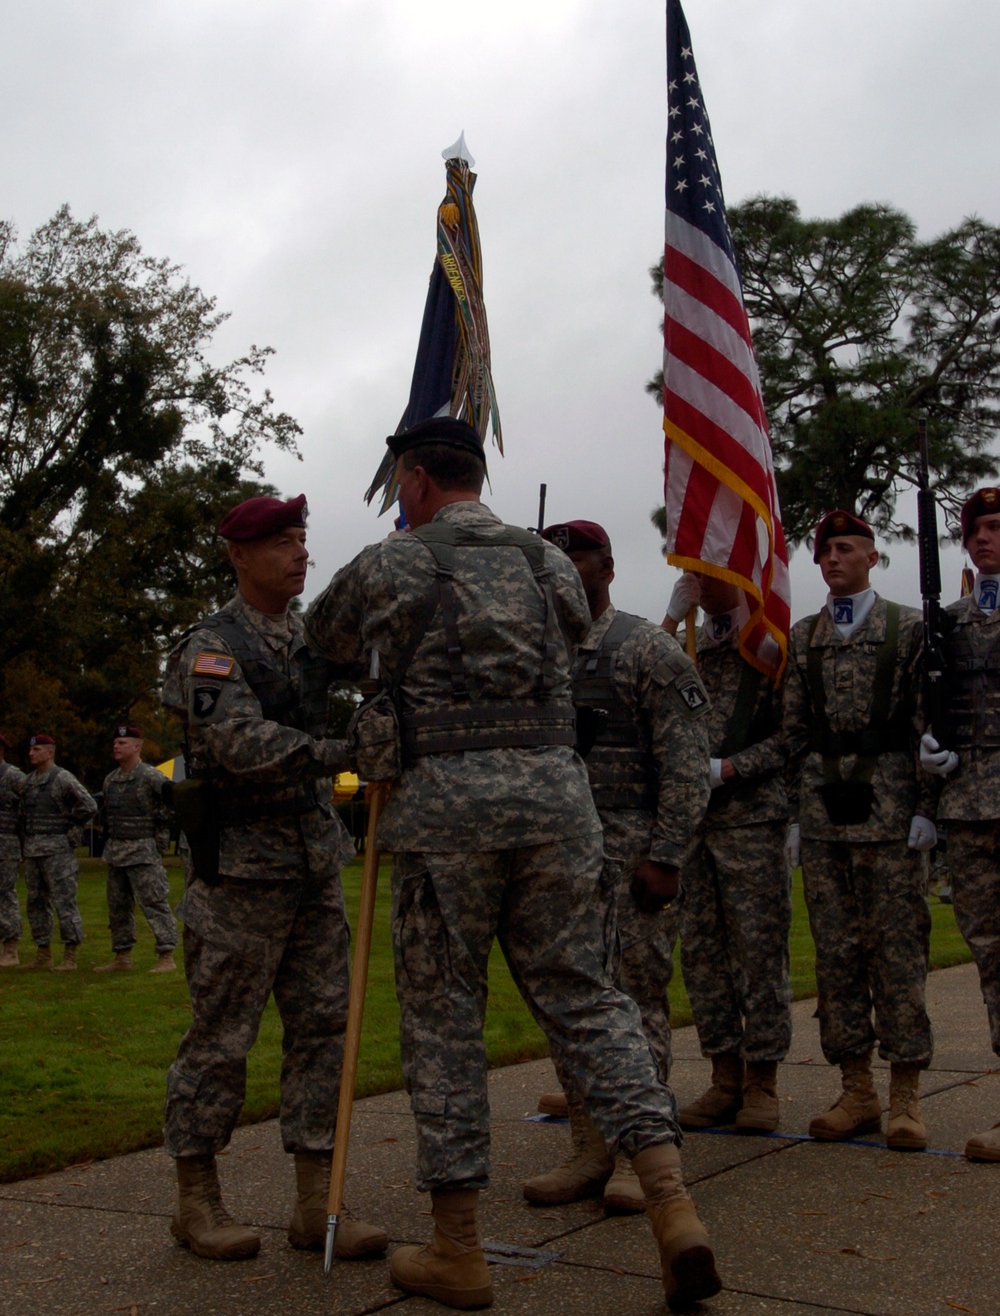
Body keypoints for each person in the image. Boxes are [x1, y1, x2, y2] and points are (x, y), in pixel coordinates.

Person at [305, 418, 722, 1313]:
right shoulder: (552, 565)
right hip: (559, 810)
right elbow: (571, 651)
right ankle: (672, 1203)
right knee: (588, 998)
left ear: (414, 479)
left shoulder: (396, 561)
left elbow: (325, 639)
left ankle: (458, 1247)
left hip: (446, 816)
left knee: (445, 1021)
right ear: (478, 473)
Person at [161, 493, 387, 1264]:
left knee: (325, 1029)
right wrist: (341, 752)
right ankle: (197, 1201)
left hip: (313, 867)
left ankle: (316, 1203)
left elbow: (375, 662)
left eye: (302, 539)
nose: (299, 553)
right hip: (240, 878)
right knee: (221, 1039)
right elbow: (238, 741)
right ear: (238, 555)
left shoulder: (312, 640)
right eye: (282, 542)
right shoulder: (210, 647)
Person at [522, 520, 710, 1213]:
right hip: (556, 865)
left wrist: (665, 857)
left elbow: (688, 767)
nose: (565, 570)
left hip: (630, 862)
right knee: (570, 1008)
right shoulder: (533, 655)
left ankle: (641, 1150)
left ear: (607, 566)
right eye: (552, 560)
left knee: (636, 1005)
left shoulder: (647, 650)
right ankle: (587, 1145)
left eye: (578, 557)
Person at [783, 510, 936, 1149]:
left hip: (891, 812)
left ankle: (905, 1094)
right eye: (824, 552)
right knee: (837, 957)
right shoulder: (802, 636)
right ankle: (856, 1089)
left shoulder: (907, 629)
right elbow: (794, 731)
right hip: (823, 818)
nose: (832, 560)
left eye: (845, 549)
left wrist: (928, 806)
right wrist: (794, 813)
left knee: (897, 956)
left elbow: (928, 725)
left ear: (873, 557)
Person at [663, 572, 792, 1134]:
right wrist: (670, 621)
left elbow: (794, 733)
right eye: (694, 569)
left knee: (758, 951)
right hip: (693, 822)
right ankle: (724, 1077)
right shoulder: (687, 644)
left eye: (715, 569)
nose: (702, 581)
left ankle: (762, 1081)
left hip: (750, 817)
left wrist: (735, 767)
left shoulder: (764, 645)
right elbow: (643, 685)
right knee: (703, 954)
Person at [919, 485, 1000, 1160]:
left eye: (997, 527)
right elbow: (931, 704)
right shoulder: (948, 623)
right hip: (970, 807)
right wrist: (929, 750)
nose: (984, 539)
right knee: (992, 956)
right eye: (976, 530)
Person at [93, 725, 178, 975]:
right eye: (115, 744)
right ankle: (122, 956)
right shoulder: (111, 779)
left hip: (143, 851)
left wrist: (160, 837)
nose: (116, 747)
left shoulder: (151, 776)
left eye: (123, 743)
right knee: (117, 906)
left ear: (137, 746)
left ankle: (166, 954)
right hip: (117, 852)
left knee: (154, 902)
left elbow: (171, 804)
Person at [20, 733, 96, 971]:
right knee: (35, 902)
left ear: (49, 752)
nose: (32, 753)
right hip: (33, 851)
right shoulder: (29, 781)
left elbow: (88, 805)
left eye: (37, 749)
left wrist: (69, 824)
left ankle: (70, 955)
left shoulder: (62, 778)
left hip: (58, 852)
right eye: (31, 750)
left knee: (64, 902)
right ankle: (43, 952)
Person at [0, 735, 26, 968]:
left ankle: (10, 947)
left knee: (5, 894)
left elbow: (33, 805)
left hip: (5, 846)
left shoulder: (13, 777)